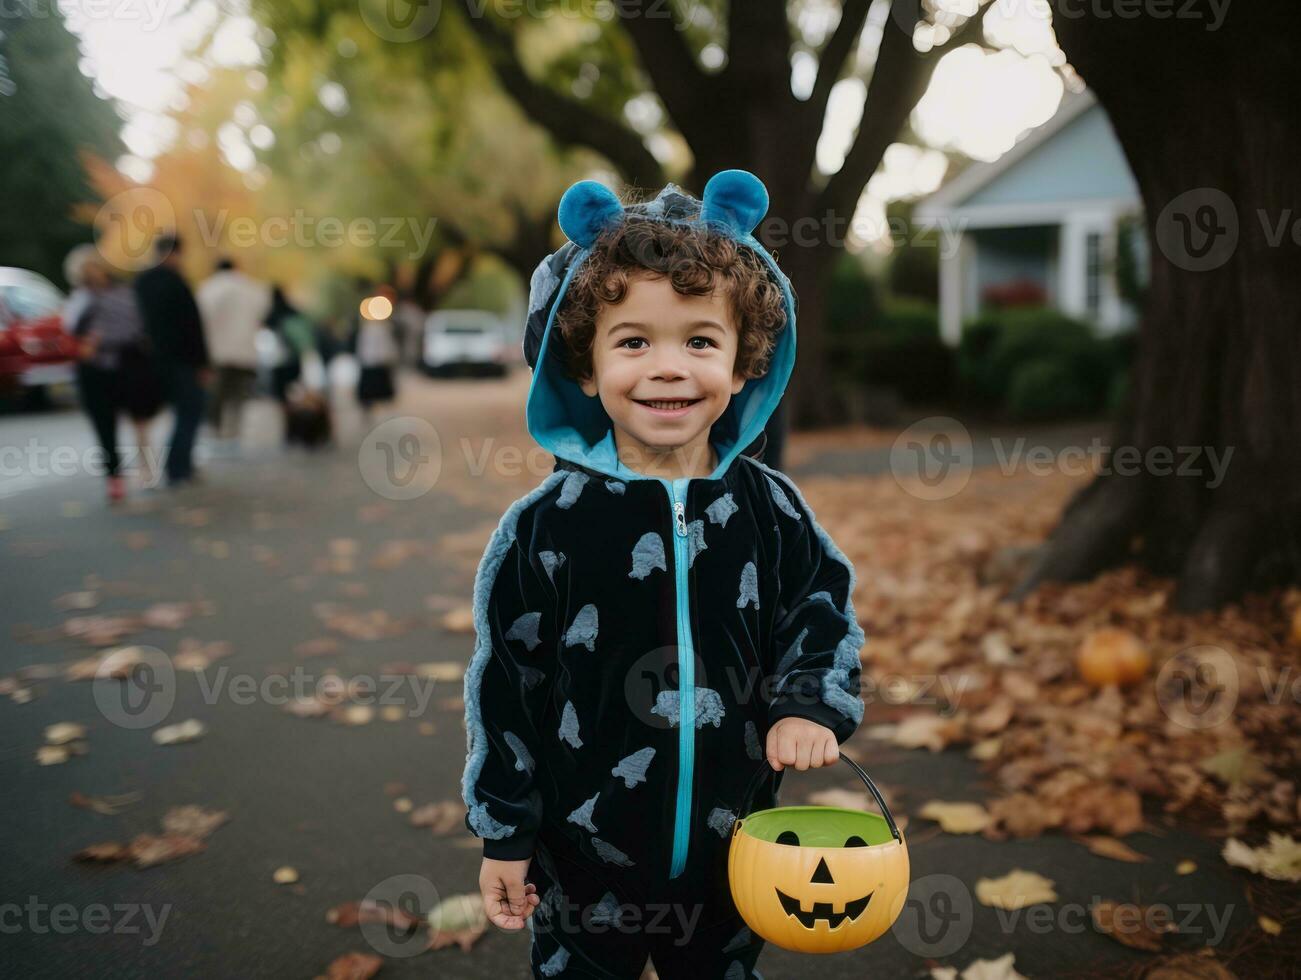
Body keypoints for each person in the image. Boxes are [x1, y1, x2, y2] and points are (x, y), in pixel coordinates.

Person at [461, 171, 865, 978]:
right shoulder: (545, 527)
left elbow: (820, 611)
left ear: (747, 360)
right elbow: (505, 682)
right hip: (581, 853)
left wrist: (806, 703)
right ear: (580, 365)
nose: (669, 367)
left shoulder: (770, 510)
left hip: (735, 846)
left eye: (700, 341)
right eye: (634, 341)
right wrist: (505, 832)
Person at [62, 245, 165, 501]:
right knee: (104, 424)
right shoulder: (80, 298)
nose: (92, 274)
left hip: (128, 362)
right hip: (95, 368)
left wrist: (105, 337)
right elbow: (71, 326)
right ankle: (114, 477)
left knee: (140, 419)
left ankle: (148, 470)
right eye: (86, 271)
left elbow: (138, 326)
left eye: (94, 267)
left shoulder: (124, 293)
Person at [133, 234, 209, 487]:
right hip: (181, 361)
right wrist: (202, 363)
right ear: (175, 254)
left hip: (147, 361)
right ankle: (178, 467)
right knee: (190, 410)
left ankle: (159, 467)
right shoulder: (177, 283)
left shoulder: (140, 283)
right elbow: (192, 327)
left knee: (145, 418)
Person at [195, 256, 271, 444]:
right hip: (245, 351)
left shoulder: (209, 287)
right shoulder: (253, 288)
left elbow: (201, 318)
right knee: (238, 394)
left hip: (217, 352)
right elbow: (262, 313)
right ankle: (234, 429)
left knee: (217, 394)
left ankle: (215, 429)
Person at [349, 285, 399, 418]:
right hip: (370, 359)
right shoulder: (369, 320)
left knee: (380, 390)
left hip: (379, 359)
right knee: (370, 390)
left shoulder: (387, 323)